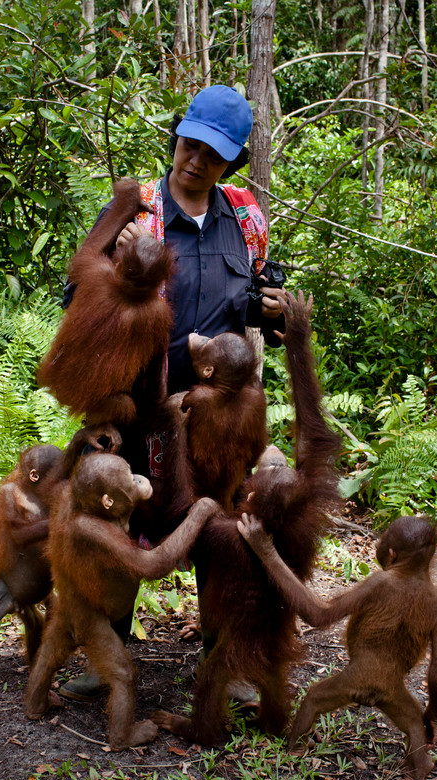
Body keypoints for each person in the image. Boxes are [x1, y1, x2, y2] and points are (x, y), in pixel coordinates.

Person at [58, 84, 287, 702]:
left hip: (214, 409)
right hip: (140, 400)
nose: (195, 160)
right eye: (190, 144)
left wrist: (277, 309)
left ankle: (224, 659)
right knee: (116, 511)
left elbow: (261, 299)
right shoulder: (140, 214)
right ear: (176, 135)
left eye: (212, 154)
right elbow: (79, 303)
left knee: (221, 523)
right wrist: (116, 261)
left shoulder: (245, 219)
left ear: (230, 162)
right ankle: (107, 651)